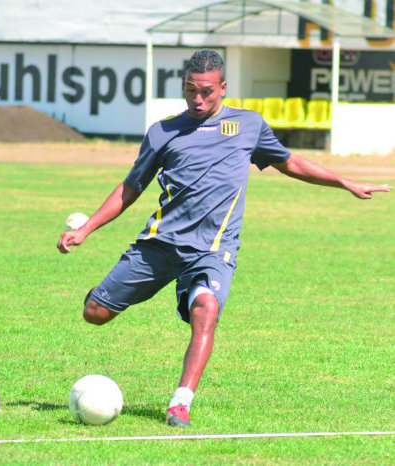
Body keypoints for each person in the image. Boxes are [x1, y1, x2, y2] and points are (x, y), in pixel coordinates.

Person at [57, 49, 391, 428]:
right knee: (95, 314)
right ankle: (109, 291)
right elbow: (130, 188)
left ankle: (180, 403)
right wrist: (85, 229)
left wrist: (342, 181)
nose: (197, 100)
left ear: (223, 88)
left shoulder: (247, 126)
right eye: (190, 91)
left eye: (206, 92)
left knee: (207, 311)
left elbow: (291, 162)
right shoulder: (162, 132)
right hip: (161, 244)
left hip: (214, 249)